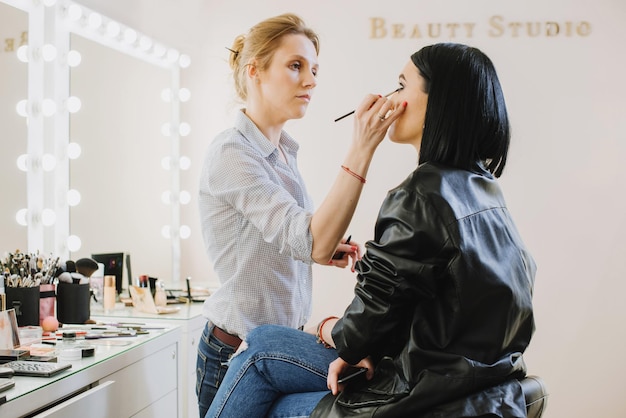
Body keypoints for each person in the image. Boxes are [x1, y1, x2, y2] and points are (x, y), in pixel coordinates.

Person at [204, 42, 536, 418]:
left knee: (262, 350)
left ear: (439, 102)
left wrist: (327, 327)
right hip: (462, 389)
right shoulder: (485, 191)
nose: (388, 97)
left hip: (416, 394)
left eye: (401, 85)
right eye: (296, 66)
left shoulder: (423, 195)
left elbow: (364, 321)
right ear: (254, 72)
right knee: (268, 366)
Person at [196, 13, 406, 417]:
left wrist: (317, 250)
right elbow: (305, 236)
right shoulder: (233, 154)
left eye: (313, 69)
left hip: (278, 346)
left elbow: (291, 238)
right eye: (296, 66)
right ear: (255, 70)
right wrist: (360, 149)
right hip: (233, 351)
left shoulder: (283, 156)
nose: (310, 80)